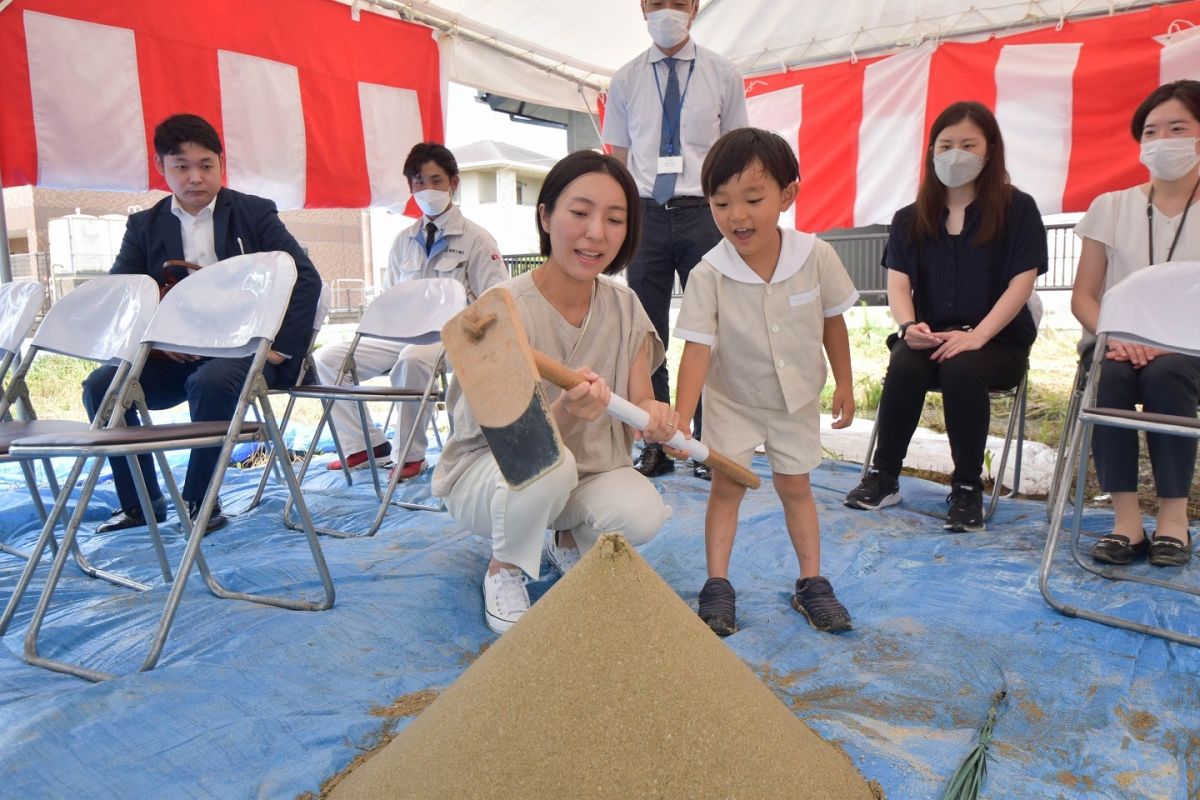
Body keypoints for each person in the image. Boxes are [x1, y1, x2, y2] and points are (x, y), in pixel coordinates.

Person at [432, 151, 676, 634]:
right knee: (550, 464)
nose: (596, 233)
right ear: (545, 215)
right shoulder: (497, 313)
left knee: (641, 512)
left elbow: (640, 402)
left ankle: (565, 540)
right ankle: (504, 567)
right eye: (580, 213)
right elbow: (507, 447)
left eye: (614, 219)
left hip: (585, 475)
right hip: (493, 478)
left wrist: (657, 417)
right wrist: (564, 411)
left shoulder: (625, 306)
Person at [82, 113, 321, 534]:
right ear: (161, 167)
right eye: (181, 166)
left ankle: (200, 501)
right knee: (102, 386)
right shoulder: (144, 225)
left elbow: (304, 278)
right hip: (176, 352)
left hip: (244, 351)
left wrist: (280, 348)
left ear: (221, 163)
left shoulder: (255, 213)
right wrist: (155, 342)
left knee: (211, 381)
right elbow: (125, 293)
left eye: (206, 165)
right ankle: (141, 504)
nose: (195, 177)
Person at [673, 128, 857, 636]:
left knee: (796, 486)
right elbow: (695, 347)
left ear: (787, 195)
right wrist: (682, 417)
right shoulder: (708, 272)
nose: (737, 216)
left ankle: (812, 582)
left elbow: (832, 322)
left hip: (795, 399)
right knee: (726, 487)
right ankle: (717, 585)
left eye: (753, 199)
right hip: (732, 400)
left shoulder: (815, 256)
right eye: (721, 202)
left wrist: (844, 381)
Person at [843, 101, 1046, 532]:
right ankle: (885, 475)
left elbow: (1021, 285)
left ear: (989, 151)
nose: (956, 154)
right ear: (932, 151)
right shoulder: (909, 219)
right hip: (932, 337)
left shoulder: (1018, 210)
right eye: (945, 145)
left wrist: (978, 336)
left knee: (962, 366)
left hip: (998, 343)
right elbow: (899, 286)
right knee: (903, 359)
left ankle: (967, 487)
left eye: (968, 144)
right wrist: (908, 326)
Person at [602, 0, 748, 481]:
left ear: (695, 6)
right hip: (644, 212)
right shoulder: (624, 79)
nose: (668, 10)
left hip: (702, 211)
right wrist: (618, 221)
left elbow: (737, 154)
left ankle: (708, 444)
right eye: (657, 2)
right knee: (646, 333)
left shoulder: (723, 74)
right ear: (642, 6)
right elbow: (617, 160)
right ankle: (658, 441)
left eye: (678, 2)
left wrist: (733, 216)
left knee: (710, 328)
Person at [312, 142, 506, 480]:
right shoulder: (403, 241)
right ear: (410, 188)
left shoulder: (477, 240)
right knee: (327, 360)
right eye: (419, 182)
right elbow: (393, 299)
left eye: (436, 180)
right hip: (403, 333)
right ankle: (364, 444)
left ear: (453, 183)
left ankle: (410, 454)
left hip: (454, 335)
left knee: (413, 359)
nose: (427, 190)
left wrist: (471, 330)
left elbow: (496, 299)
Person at [1072, 80, 1200, 568]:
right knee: (1112, 377)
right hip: (1114, 341)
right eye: (1150, 131)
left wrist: (1173, 342)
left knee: (1168, 376)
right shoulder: (1112, 206)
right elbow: (1084, 296)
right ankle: (1125, 519)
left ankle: (1173, 516)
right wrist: (1117, 334)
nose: (1161, 139)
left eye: (1177, 128)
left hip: (1189, 350)